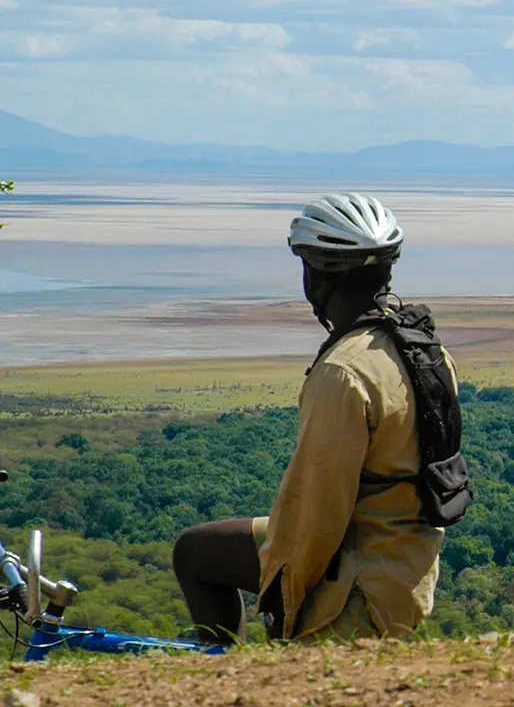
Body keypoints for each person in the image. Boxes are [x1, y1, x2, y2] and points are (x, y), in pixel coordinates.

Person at [172, 192, 453, 642]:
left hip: (359, 570)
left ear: (316, 275)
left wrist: (284, 602)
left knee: (202, 556)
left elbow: (317, 512)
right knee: (198, 552)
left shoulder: (343, 372)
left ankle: (232, 682)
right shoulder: (421, 349)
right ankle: (224, 671)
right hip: (406, 555)